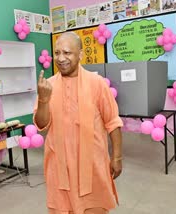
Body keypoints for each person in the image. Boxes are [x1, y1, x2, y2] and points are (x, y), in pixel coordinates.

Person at [33, 32, 123, 214]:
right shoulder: (48, 85)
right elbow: (41, 125)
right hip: (59, 168)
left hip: (92, 167)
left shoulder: (97, 83)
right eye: (57, 53)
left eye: (67, 53)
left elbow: (113, 122)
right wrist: (43, 99)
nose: (61, 58)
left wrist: (117, 157)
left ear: (80, 54)